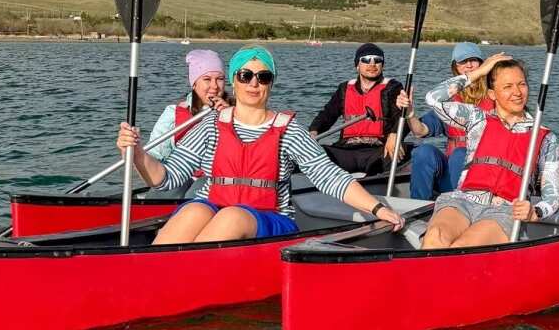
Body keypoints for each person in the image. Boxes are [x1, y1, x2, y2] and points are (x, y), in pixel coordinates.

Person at [117, 45, 405, 245]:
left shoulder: (289, 130)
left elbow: (330, 178)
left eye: (263, 76)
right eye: (246, 75)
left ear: (271, 83)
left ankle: (187, 274)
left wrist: (378, 208)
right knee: (193, 209)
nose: (254, 83)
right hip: (215, 205)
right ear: (235, 80)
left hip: (272, 219)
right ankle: (150, 273)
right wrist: (137, 154)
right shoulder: (210, 125)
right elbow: (165, 178)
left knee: (232, 216)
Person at [420, 52, 559, 248]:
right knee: (435, 236)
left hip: (504, 210)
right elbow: (433, 98)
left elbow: (553, 198)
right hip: (463, 201)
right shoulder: (477, 119)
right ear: (492, 94)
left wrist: (535, 212)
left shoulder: (545, 137)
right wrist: (480, 72)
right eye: (508, 86)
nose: (517, 92)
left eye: (522, 84)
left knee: (465, 246)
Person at [401, 41, 494, 199]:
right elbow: (420, 131)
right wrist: (410, 113)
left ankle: (454, 207)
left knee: (460, 153)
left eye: (473, 60)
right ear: (455, 67)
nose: (469, 65)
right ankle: (418, 205)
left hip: (482, 175)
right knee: (423, 151)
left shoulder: (494, 97)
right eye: (463, 62)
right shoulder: (448, 101)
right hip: (451, 176)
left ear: (482, 65)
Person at [307, 43, 407, 176]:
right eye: (365, 60)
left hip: (378, 149)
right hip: (346, 149)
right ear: (357, 66)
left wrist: (395, 134)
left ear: (382, 65)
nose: (372, 64)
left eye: (377, 60)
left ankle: (379, 188)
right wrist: (314, 131)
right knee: (311, 154)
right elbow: (327, 114)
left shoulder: (393, 88)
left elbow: (403, 116)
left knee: (398, 152)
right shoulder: (344, 89)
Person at [145, 49, 227, 163]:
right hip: (185, 178)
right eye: (207, 79)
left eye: (220, 79)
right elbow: (154, 156)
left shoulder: (236, 113)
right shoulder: (172, 114)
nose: (214, 86)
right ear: (194, 84)